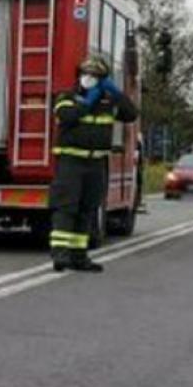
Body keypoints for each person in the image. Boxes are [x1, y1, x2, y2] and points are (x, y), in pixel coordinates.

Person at [49, 55, 138, 273]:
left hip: (96, 163)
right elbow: (67, 117)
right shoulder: (66, 97)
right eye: (86, 74)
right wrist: (88, 102)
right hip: (71, 162)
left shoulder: (108, 102)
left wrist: (116, 94)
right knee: (66, 207)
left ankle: (79, 256)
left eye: (95, 76)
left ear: (102, 79)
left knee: (87, 209)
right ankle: (60, 255)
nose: (89, 78)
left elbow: (131, 114)